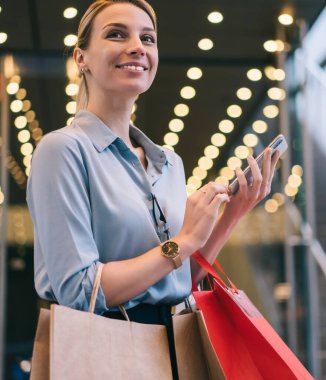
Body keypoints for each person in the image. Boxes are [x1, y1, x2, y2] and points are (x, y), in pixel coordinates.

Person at [26, 0, 280, 378]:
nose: (137, 47)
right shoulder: (63, 150)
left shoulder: (169, 163)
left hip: (176, 347)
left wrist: (233, 213)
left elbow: (180, 276)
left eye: (148, 38)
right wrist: (185, 238)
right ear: (81, 58)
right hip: (103, 351)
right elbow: (81, 291)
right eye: (116, 34)